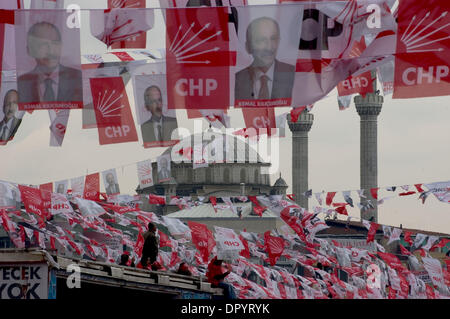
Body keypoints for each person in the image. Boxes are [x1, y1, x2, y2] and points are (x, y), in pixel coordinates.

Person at [18, 21, 82, 105]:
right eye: (42, 44)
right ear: (29, 50)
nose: (50, 51)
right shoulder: (21, 83)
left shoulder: (78, 78)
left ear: (61, 46)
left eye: (55, 43)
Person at [235, 17, 295, 100]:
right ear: (248, 47)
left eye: (273, 39)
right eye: (261, 40)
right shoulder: (236, 81)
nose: (269, 47)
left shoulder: (295, 76)